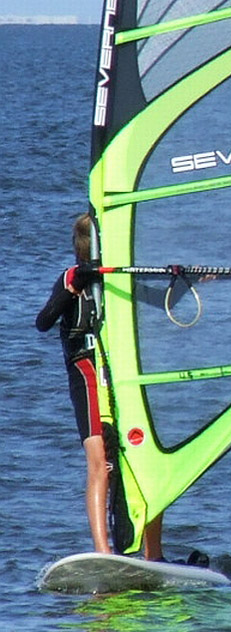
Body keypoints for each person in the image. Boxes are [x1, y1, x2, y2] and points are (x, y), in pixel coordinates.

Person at [35, 214, 163, 560]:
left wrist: (187, 279)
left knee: (147, 458)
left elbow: (163, 300)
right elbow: (43, 322)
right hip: (87, 374)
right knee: (99, 462)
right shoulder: (70, 278)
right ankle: (104, 551)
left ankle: (154, 556)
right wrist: (72, 286)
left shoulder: (117, 277)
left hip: (122, 374)